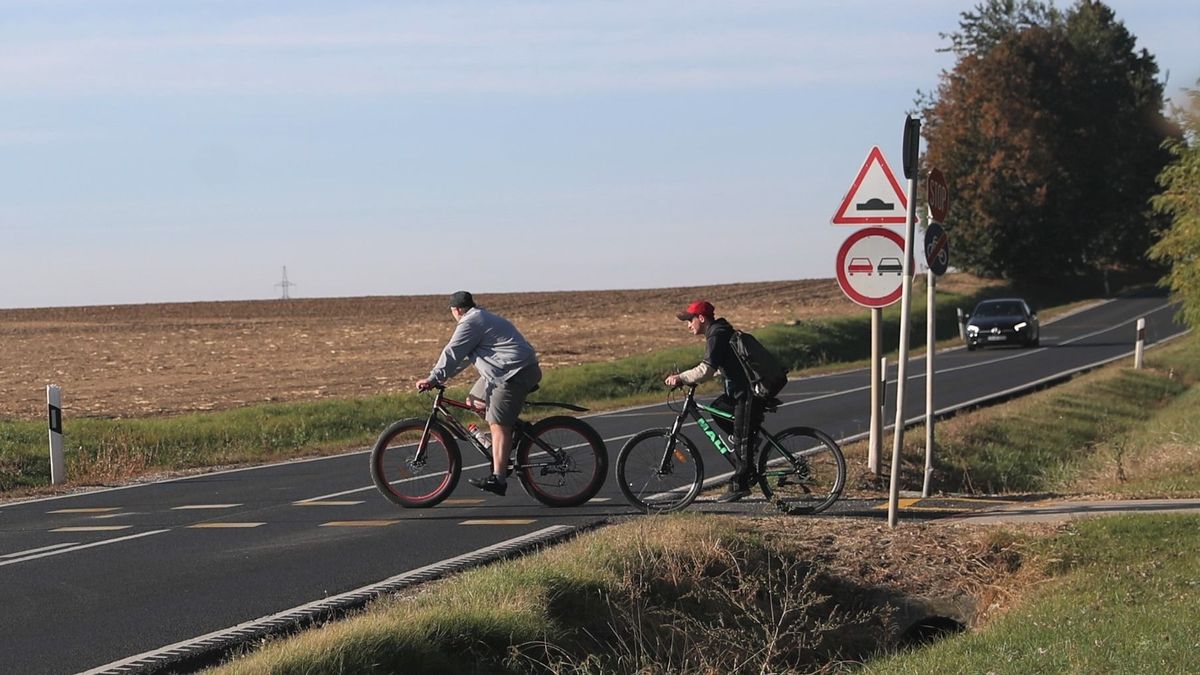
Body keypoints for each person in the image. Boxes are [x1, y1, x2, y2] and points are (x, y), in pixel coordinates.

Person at [416, 291, 542, 496]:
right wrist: (441, 377)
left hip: (514, 372)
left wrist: (433, 378)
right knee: (474, 400)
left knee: (498, 424)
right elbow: (463, 356)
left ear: (455, 310)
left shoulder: (470, 322)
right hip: (504, 370)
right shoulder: (480, 317)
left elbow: (452, 351)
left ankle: (499, 479)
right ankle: (513, 431)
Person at [663, 300, 765, 503]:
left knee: (741, 440)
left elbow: (706, 370)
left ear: (701, 318)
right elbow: (719, 365)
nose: (688, 325)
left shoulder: (717, 334)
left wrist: (681, 377)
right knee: (718, 408)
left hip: (747, 394)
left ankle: (739, 485)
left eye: (690, 320)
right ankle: (748, 447)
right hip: (740, 393)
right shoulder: (718, 332)